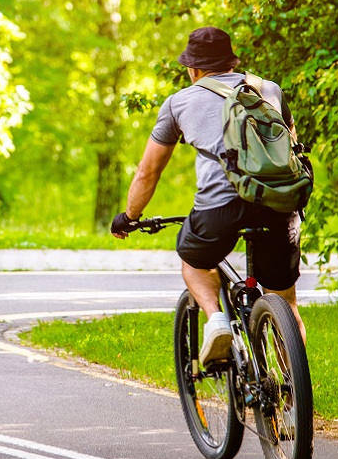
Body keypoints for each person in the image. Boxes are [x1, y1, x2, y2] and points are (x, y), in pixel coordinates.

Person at [111, 26, 305, 367]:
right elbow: (291, 145)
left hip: (220, 208)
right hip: (279, 205)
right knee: (286, 302)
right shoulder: (268, 89)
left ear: (193, 69)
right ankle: (293, 396)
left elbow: (148, 172)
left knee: (194, 260)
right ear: (231, 62)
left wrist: (129, 216)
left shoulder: (179, 103)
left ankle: (215, 319)